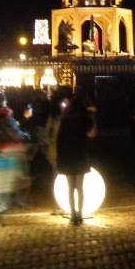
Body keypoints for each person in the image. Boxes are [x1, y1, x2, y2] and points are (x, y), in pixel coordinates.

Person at [56, 92, 97, 225]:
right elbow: (92, 134)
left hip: (67, 155)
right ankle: (80, 213)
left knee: (70, 187)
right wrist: (93, 118)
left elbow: (59, 139)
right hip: (80, 153)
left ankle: (73, 214)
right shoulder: (85, 118)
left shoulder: (65, 119)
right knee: (80, 187)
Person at [0, 93, 30, 225]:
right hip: (9, 156)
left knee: (12, 184)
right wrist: (21, 135)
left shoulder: (1, 117)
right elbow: (14, 133)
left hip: (7, 155)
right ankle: (5, 206)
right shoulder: (4, 117)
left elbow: (14, 130)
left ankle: (4, 206)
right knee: (16, 181)